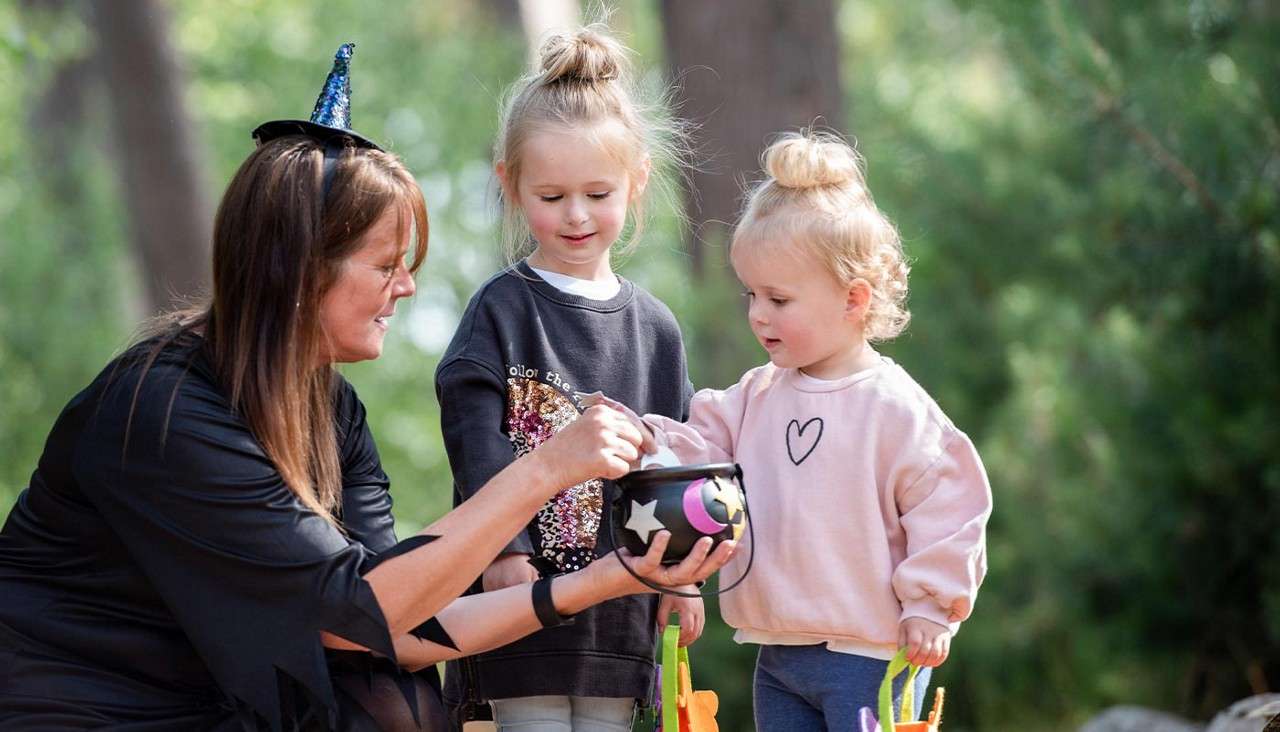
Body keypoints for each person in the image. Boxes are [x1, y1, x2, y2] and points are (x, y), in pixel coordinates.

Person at [0, 44, 734, 732]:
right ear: (301, 268)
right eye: (385, 266)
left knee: (399, 695)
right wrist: (546, 469)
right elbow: (355, 612)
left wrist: (607, 578)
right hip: (76, 705)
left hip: (209, 701)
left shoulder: (332, 407)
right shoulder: (163, 410)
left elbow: (405, 623)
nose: (408, 288)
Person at [593, 131, 993, 730]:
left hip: (874, 652)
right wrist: (647, 441)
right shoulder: (756, 394)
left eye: (779, 299)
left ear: (852, 299)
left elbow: (952, 506)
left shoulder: (895, 407)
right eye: (751, 294)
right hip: (778, 651)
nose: (758, 313)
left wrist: (933, 607)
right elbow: (699, 449)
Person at [436, 25, 702, 732]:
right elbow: (474, 441)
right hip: (516, 596)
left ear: (637, 180)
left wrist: (686, 576)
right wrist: (503, 550)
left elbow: (673, 461)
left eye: (597, 192)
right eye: (551, 196)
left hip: (619, 614)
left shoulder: (657, 329)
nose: (576, 215)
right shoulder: (502, 310)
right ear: (510, 186)